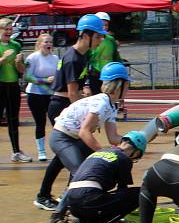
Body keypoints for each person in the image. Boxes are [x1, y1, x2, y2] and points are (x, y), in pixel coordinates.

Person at [43, 61, 129, 223]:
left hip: (71, 138)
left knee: (81, 172)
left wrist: (131, 141)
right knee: (81, 173)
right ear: (119, 84)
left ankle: (73, 208)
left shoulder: (111, 105)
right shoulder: (102, 102)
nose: (128, 88)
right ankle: (57, 218)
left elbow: (113, 137)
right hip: (63, 137)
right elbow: (84, 132)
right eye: (127, 84)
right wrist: (102, 152)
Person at [34, 14, 107, 211]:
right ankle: (65, 200)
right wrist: (87, 119)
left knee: (62, 156)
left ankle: (44, 195)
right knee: (74, 157)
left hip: (67, 103)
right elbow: (72, 93)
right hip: (62, 105)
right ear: (85, 35)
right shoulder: (72, 58)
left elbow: (79, 88)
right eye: (98, 36)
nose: (101, 40)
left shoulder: (83, 55)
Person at [65, 131, 146, 223]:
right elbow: (123, 190)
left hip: (71, 200)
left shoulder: (100, 152)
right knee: (139, 193)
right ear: (136, 152)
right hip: (88, 197)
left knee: (101, 199)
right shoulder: (124, 158)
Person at [24, 34, 59, 161]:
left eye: (50, 42)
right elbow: (27, 77)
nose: (49, 44)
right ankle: (41, 151)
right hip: (35, 95)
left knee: (57, 122)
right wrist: (45, 80)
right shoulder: (32, 57)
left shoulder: (55, 58)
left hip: (51, 95)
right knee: (40, 123)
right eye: (46, 42)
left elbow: (59, 74)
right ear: (39, 44)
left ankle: (59, 149)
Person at [0, 17, 31, 162]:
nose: (8, 31)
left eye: (10, 29)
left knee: (13, 119)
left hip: (13, 85)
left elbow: (21, 70)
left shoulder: (16, 45)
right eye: (5, 29)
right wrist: (2, 59)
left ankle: (16, 152)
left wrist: (19, 63)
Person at [87, 12, 121, 95]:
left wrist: (120, 68)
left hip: (109, 76)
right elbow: (86, 59)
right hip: (94, 76)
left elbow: (116, 57)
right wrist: (86, 83)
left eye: (106, 25)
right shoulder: (90, 40)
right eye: (102, 25)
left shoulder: (111, 40)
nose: (104, 27)